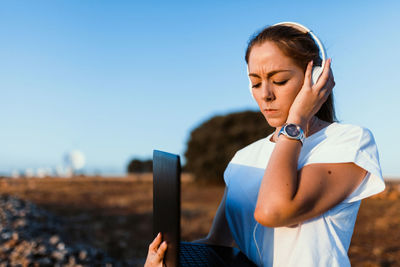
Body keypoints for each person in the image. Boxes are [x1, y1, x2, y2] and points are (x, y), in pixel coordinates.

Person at [145, 22, 385, 267]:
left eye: (279, 81)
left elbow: (272, 211)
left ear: (314, 79)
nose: (265, 94)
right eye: (256, 83)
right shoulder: (243, 157)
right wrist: (168, 258)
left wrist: (297, 121)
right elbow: (218, 243)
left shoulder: (348, 142)